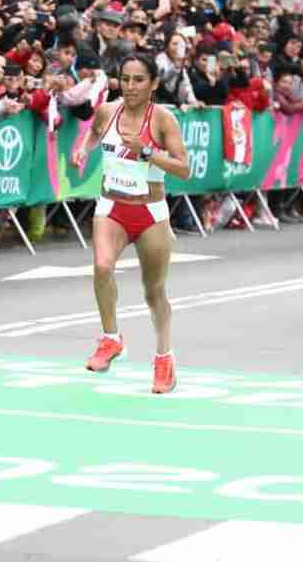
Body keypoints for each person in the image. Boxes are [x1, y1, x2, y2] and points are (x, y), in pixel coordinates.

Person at [70, 53, 190, 394]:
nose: (131, 86)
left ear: (153, 84)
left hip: (150, 213)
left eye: (139, 80)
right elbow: (93, 133)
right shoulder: (108, 110)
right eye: (125, 79)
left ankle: (164, 358)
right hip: (111, 207)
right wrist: (83, 149)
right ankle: (111, 338)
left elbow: (184, 168)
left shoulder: (163, 120)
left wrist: (149, 154)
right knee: (102, 266)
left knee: (154, 292)